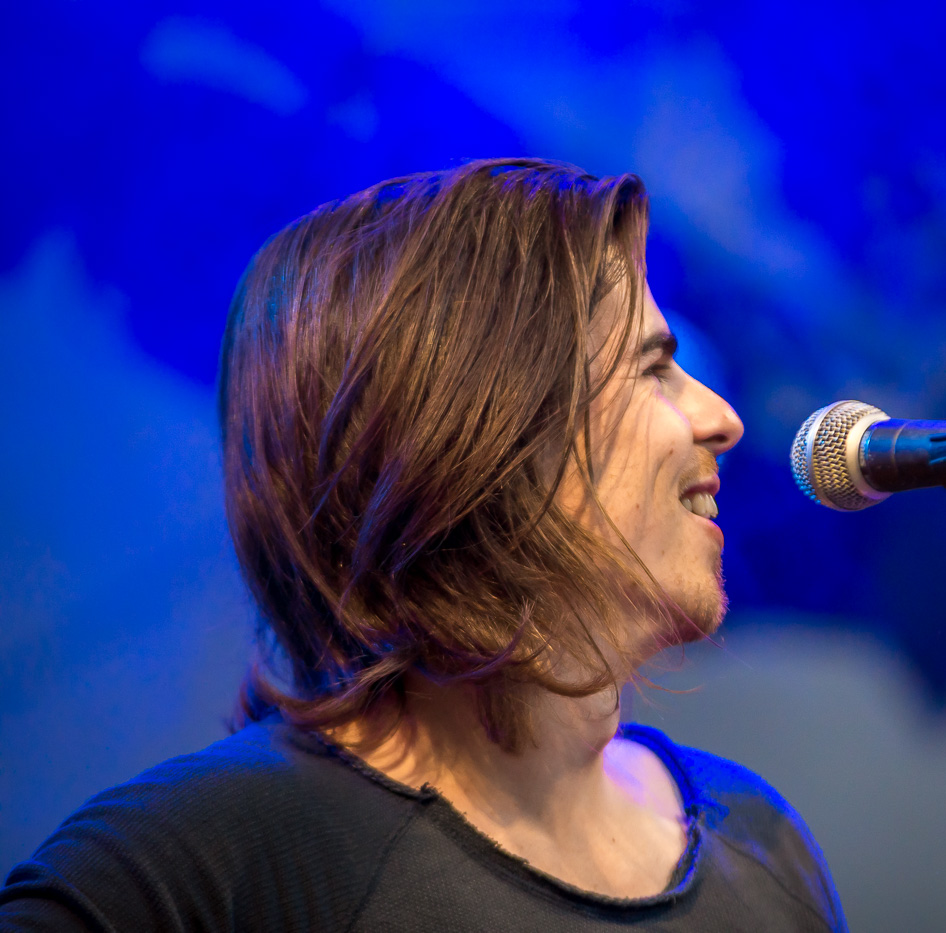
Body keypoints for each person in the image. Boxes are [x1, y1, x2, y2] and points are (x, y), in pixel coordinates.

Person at [0, 159, 847, 931]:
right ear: (483, 432)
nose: (722, 418)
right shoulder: (197, 869)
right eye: (653, 367)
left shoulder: (759, 841)